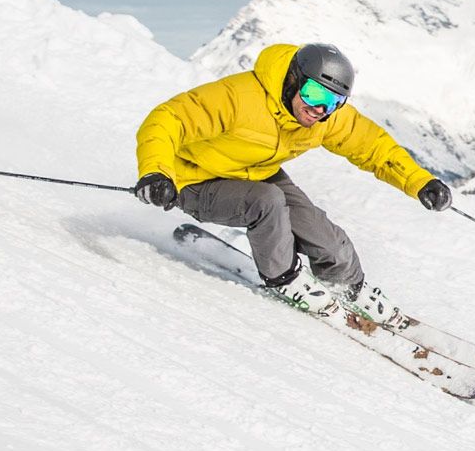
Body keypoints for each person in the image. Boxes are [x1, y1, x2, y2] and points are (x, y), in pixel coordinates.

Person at [132, 43, 452, 322]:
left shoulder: (322, 118)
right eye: (313, 94)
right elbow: (167, 119)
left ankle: (348, 288)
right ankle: (285, 278)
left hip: (257, 172)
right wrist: (156, 172)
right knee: (267, 201)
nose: (318, 109)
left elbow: (372, 146)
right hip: (192, 180)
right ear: (294, 79)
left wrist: (419, 181)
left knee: (324, 236)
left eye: (333, 102)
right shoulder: (239, 98)